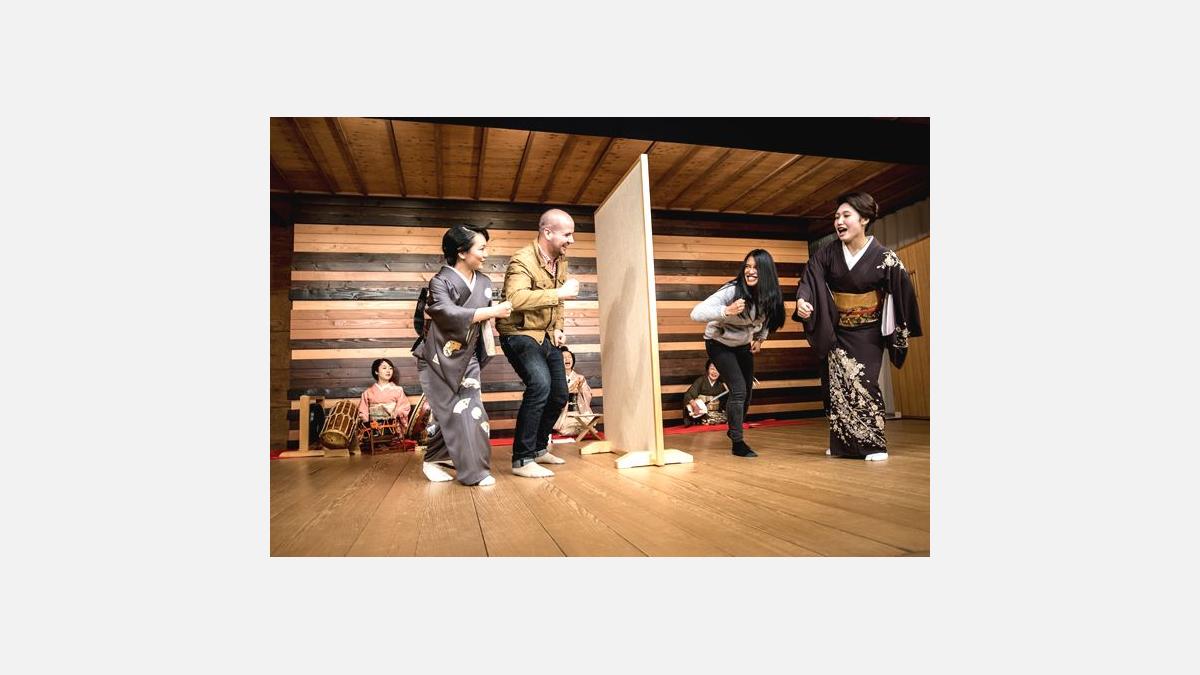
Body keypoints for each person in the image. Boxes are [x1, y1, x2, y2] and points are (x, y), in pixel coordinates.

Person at [794, 191, 922, 461]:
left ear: (864, 219)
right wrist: (803, 301)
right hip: (837, 330)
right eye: (836, 217)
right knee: (837, 386)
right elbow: (810, 278)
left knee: (864, 383)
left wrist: (899, 325)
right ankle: (842, 445)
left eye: (846, 215)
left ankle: (873, 444)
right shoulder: (828, 253)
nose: (839, 221)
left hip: (868, 331)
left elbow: (903, 290)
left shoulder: (884, 256)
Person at [412, 224, 513, 486]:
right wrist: (492, 312)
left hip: (468, 358)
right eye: (482, 248)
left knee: (470, 411)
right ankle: (471, 472)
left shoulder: (484, 282)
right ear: (461, 252)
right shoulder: (440, 282)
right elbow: (447, 313)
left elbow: (486, 321)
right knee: (451, 413)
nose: (486, 254)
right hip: (437, 358)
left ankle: (438, 460)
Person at [497, 208, 580, 478]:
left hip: (546, 334)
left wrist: (558, 327)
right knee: (540, 385)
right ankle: (522, 459)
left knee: (559, 394)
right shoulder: (521, 260)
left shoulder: (560, 260)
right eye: (567, 234)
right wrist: (559, 293)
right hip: (519, 333)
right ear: (547, 232)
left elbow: (559, 303)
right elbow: (516, 299)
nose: (571, 240)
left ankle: (538, 449)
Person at [690, 249, 786, 457]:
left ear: (766, 272)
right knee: (739, 390)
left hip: (742, 345)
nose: (750, 271)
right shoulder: (731, 291)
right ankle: (737, 441)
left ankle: (734, 427)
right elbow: (696, 313)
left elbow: (768, 319)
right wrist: (726, 311)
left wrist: (760, 339)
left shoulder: (770, 295)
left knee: (747, 393)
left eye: (756, 267)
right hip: (719, 344)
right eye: (747, 266)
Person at [358, 358, 413, 449]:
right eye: (384, 368)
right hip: (374, 429)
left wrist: (395, 414)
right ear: (376, 371)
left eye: (390, 368)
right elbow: (363, 411)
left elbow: (404, 407)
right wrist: (367, 424)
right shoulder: (367, 392)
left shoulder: (398, 390)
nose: (388, 371)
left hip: (392, 427)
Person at [553, 348, 595, 437]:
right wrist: (567, 391)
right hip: (564, 414)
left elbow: (588, 396)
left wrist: (581, 389)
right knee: (567, 430)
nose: (567, 359)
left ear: (573, 360)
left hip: (579, 412)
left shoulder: (580, 378)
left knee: (587, 427)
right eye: (564, 357)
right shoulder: (556, 379)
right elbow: (554, 397)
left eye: (569, 357)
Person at [682, 359, 729, 427]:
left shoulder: (722, 384)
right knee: (707, 419)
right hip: (702, 412)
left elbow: (726, 401)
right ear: (707, 370)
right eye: (712, 369)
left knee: (726, 418)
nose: (715, 372)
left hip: (716, 413)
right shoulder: (701, 381)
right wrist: (695, 406)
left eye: (718, 370)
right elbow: (688, 395)